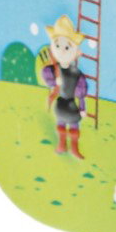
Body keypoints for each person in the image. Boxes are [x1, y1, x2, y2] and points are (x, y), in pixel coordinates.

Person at [41, 15, 89, 158]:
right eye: (57, 46)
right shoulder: (53, 71)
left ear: (76, 51)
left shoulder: (76, 74)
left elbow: (81, 94)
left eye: (67, 47)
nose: (61, 51)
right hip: (60, 103)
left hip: (71, 105)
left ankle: (74, 148)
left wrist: (82, 108)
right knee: (61, 123)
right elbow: (49, 81)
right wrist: (55, 82)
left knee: (73, 125)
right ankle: (61, 144)